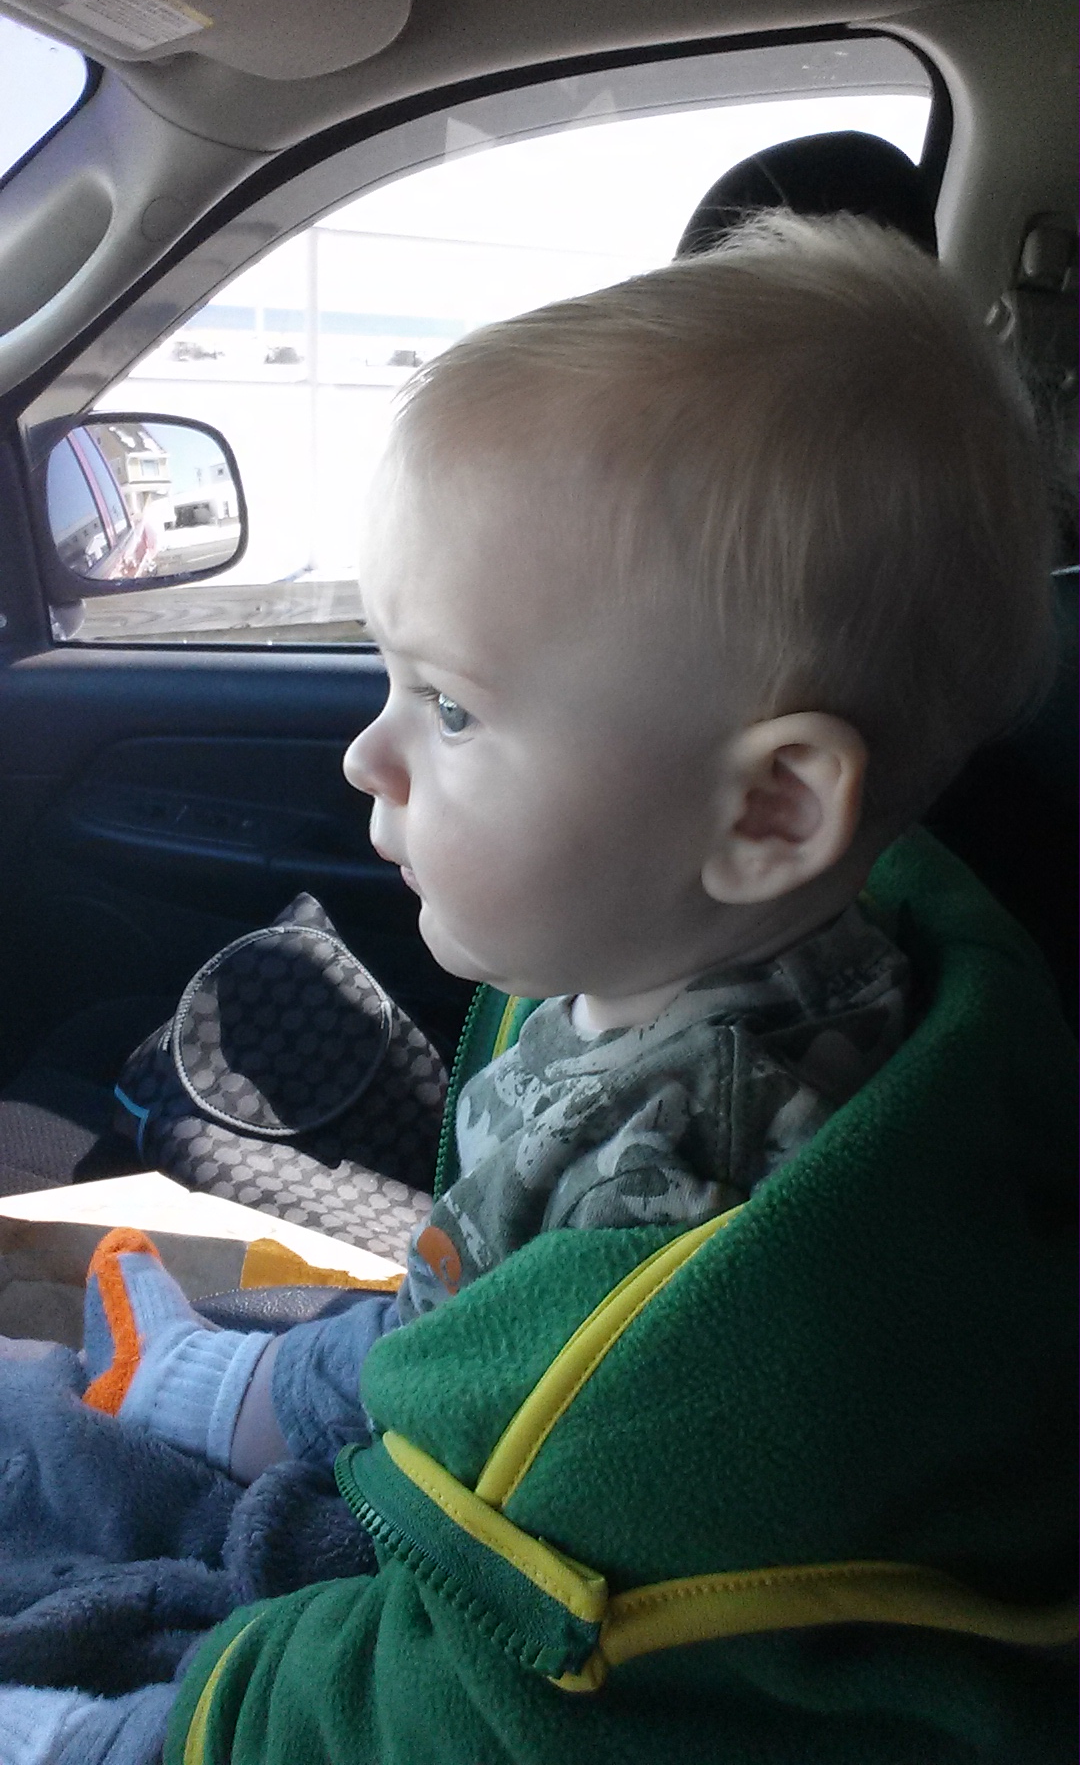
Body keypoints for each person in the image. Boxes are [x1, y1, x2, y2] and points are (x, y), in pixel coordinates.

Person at [1, 213, 1077, 1765]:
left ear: (769, 812)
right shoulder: (682, 961)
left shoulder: (685, 1348)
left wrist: (117, 1739)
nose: (366, 756)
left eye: (447, 707)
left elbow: (475, 1704)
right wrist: (255, 1385)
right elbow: (472, 1295)